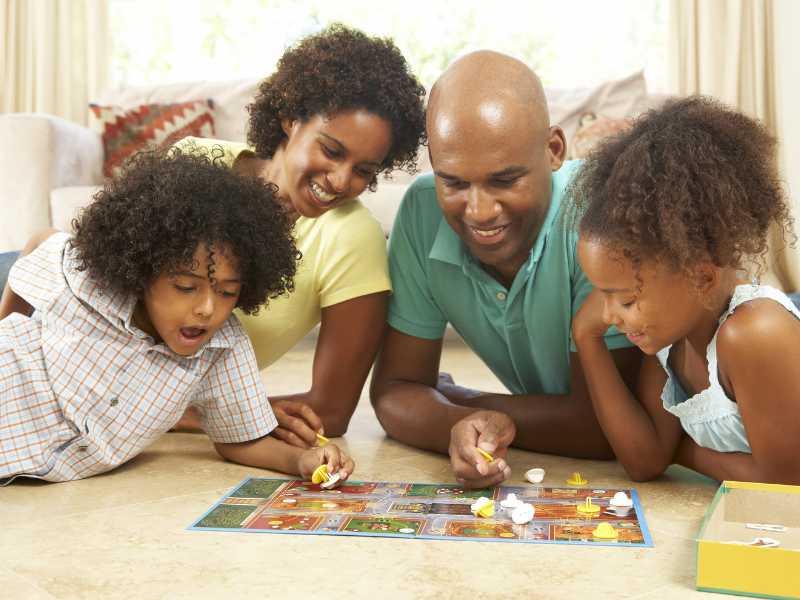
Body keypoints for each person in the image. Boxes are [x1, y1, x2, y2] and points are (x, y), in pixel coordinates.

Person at [369, 50, 641, 489]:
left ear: (554, 150)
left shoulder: (598, 216)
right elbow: (394, 392)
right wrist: (457, 425)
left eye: (504, 180)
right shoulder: (421, 211)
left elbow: (608, 426)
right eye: (453, 182)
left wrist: (460, 399)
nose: (478, 212)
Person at [0, 147, 354, 484]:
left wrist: (301, 461)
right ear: (143, 270)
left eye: (228, 292)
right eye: (186, 286)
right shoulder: (85, 281)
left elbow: (239, 439)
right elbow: (42, 243)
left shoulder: (222, 350)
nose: (207, 308)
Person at [172, 24, 426, 446]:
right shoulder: (193, 162)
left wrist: (220, 412)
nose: (342, 181)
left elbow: (330, 410)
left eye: (364, 170)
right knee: (47, 248)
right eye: (331, 150)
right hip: (76, 346)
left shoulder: (352, 237)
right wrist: (238, 412)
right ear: (291, 119)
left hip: (138, 403)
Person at [570, 96, 800, 484]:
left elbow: (784, 486)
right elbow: (644, 462)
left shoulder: (755, 334)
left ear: (703, 279)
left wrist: (682, 451)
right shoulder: (670, 341)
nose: (608, 314)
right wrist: (585, 336)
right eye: (602, 294)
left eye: (626, 298)